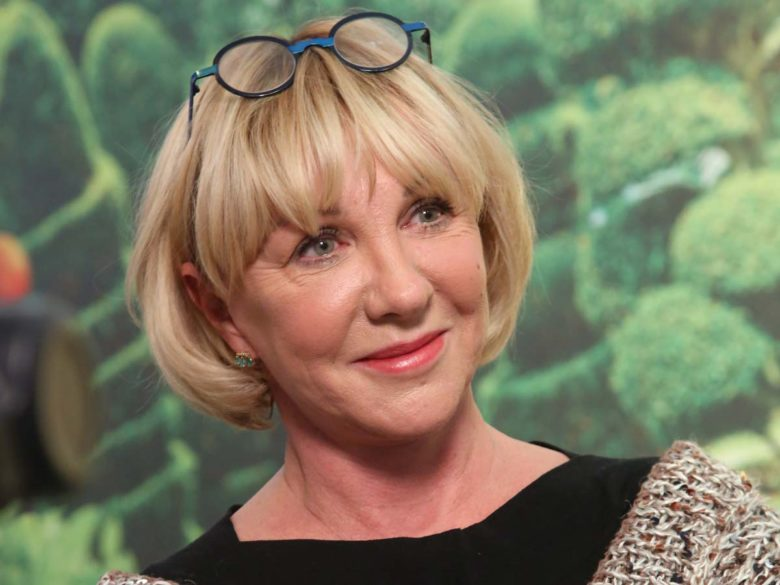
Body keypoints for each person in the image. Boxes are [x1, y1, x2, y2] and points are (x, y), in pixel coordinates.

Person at [100, 11, 780, 585]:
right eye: (319, 245)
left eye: (426, 213)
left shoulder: (696, 539)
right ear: (220, 312)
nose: (402, 291)